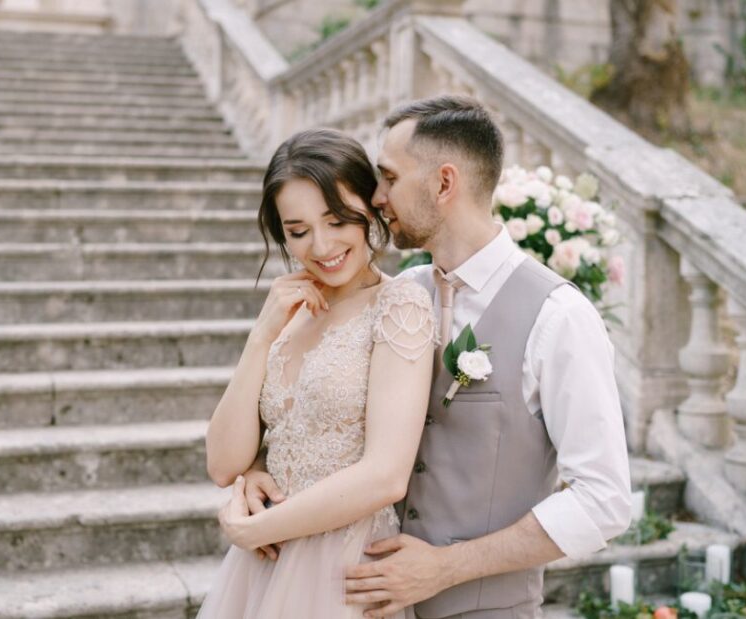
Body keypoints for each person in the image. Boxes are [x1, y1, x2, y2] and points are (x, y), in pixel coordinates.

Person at [239, 96, 633, 619]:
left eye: (389, 178)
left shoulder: (558, 317)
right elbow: (324, 412)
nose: (375, 198)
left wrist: (449, 567)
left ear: (444, 183)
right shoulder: (399, 294)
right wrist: (261, 466)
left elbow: (603, 501)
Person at [196, 128, 437, 619]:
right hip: (263, 567)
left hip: (342, 567)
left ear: (368, 210)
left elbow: (387, 475)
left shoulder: (399, 305)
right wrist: (262, 335)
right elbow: (223, 463)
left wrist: (255, 529)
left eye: (337, 220)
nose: (322, 246)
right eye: (299, 231)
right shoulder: (293, 313)